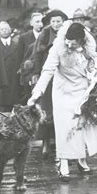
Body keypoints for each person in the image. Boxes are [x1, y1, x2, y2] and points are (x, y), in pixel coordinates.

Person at [28, 22, 97, 180]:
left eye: (74, 42)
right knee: (65, 128)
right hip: (63, 91)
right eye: (68, 41)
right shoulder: (58, 47)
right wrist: (37, 93)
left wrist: (92, 74)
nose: (69, 44)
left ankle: (82, 160)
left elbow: (94, 63)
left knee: (82, 125)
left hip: (82, 90)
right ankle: (63, 162)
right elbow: (48, 70)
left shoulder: (89, 47)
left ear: (82, 41)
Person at [30, 9, 68, 157]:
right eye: (53, 21)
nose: (56, 24)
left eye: (58, 21)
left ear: (63, 21)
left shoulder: (67, 33)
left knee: (62, 109)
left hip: (63, 76)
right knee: (46, 109)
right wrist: (36, 73)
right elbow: (37, 55)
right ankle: (45, 142)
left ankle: (60, 143)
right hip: (48, 76)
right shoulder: (45, 34)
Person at [17, 12, 43, 103]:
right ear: (31, 23)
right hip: (29, 75)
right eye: (37, 21)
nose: (40, 24)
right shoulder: (24, 38)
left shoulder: (47, 36)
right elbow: (20, 57)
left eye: (42, 21)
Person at [0, 21, 21, 112]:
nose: (4, 31)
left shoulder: (17, 44)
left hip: (15, 81)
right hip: (1, 81)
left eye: (6, 29)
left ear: (10, 30)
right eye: (1, 29)